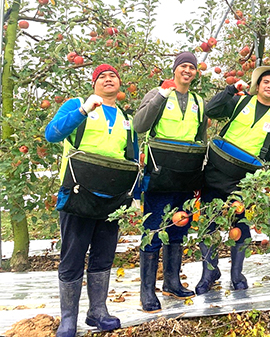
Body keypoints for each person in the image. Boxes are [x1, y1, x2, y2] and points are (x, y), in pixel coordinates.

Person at [45, 64, 138, 337]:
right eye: (102, 76)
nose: (108, 79)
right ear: (94, 84)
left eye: (113, 76)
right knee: (72, 256)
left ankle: (97, 310)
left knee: (103, 256)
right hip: (78, 195)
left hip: (111, 199)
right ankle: (68, 318)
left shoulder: (126, 118)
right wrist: (83, 110)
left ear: (119, 85)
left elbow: (130, 158)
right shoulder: (77, 105)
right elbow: (52, 134)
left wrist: (134, 194)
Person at [195, 66, 270, 294]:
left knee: (241, 224)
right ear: (258, 85)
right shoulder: (240, 102)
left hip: (245, 177)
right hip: (217, 169)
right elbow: (211, 109)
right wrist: (230, 90)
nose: (269, 86)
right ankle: (209, 272)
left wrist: (261, 157)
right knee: (210, 222)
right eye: (265, 82)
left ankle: (237, 273)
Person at [132, 51, 207, 313]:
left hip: (186, 173)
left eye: (192, 67)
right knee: (153, 228)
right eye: (183, 66)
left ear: (196, 73)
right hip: (160, 170)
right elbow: (139, 125)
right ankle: (146, 290)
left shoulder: (199, 101)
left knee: (179, 227)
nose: (187, 71)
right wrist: (161, 95)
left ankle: (172, 282)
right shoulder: (158, 93)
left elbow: (201, 138)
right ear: (175, 69)